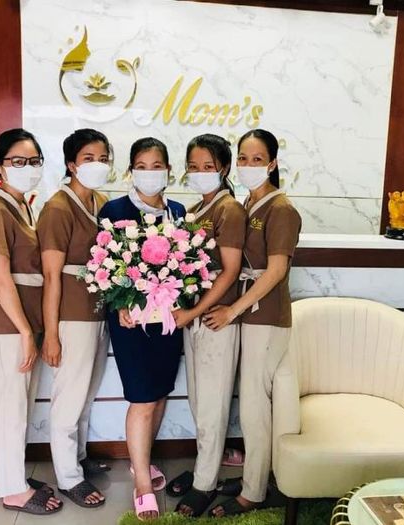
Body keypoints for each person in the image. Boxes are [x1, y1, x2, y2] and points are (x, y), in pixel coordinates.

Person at [204, 129, 301, 517]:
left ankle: (255, 492)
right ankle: (254, 477)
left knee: (254, 407)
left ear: (272, 163)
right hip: (250, 314)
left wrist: (232, 310)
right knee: (249, 404)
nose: (247, 165)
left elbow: (275, 271)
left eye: (257, 159)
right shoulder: (248, 203)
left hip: (267, 318)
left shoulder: (281, 210)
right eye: (242, 158)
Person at [98, 137, 186, 521]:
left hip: (167, 319)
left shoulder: (177, 211)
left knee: (161, 391)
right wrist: (120, 305)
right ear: (131, 170)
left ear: (168, 170)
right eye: (142, 166)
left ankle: (142, 462)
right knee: (142, 397)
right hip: (131, 321)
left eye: (157, 166)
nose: (150, 173)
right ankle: (143, 485)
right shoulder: (114, 210)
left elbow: (186, 266)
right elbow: (102, 266)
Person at [0, 128, 62, 515]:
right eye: (17, 161)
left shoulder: (22, 207)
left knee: (21, 405)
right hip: (13, 327)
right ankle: (11, 489)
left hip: (25, 320)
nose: (28, 168)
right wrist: (26, 331)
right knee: (10, 407)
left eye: (34, 161)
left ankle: (16, 477)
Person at [167, 134, 246, 517]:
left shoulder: (229, 210)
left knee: (212, 405)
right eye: (193, 167)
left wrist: (195, 311)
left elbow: (229, 271)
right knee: (199, 402)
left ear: (224, 168)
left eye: (208, 167)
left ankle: (204, 484)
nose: (200, 173)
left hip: (215, 318)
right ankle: (206, 468)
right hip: (195, 316)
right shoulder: (197, 209)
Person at [36, 128, 113, 508]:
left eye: (103, 158)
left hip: (98, 314)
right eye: (88, 158)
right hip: (71, 317)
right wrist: (51, 334)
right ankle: (68, 477)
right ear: (71, 164)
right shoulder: (58, 209)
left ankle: (78, 458)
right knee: (69, 398)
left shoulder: (101, 203)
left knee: (86, 393)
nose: (97, 165)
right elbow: (52, 276)